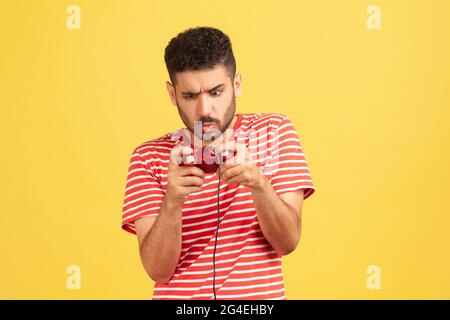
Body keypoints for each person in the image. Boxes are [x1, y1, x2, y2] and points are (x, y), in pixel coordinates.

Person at [121, 26, 316, 300]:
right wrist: (172, 201)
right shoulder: (148, 157)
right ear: (172, 94)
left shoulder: (274, 131)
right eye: (190, 96)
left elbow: (288, 242)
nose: (204, 110)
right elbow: (157, 270)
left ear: (237, 85)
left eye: (216, 92)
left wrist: (259, 185)